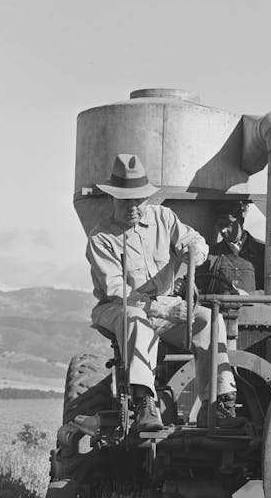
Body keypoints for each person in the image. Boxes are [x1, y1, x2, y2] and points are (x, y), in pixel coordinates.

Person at [86, 153, 238, 432]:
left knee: (208, 319)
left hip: (165, 306)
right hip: (116, 308)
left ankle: (218, 404)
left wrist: (194, 250)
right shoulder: (100, 238)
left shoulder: (164, 218)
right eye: (125, 200)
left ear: (147, 198)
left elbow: (195, 241)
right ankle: (144, 403)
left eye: (138, 199)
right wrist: (162, 308)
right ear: (111, 199)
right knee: (135, 318)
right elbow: (116, 289)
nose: (133, 206)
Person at [199, 199, 265, 295]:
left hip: (253, 309)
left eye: (227, 224)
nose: (223, 230)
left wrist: (250, 296)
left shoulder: (263, 252)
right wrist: (183, 285)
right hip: (220, 309)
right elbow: (197, 285)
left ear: (241, 221)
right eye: (220, 225)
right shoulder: (211, 254)